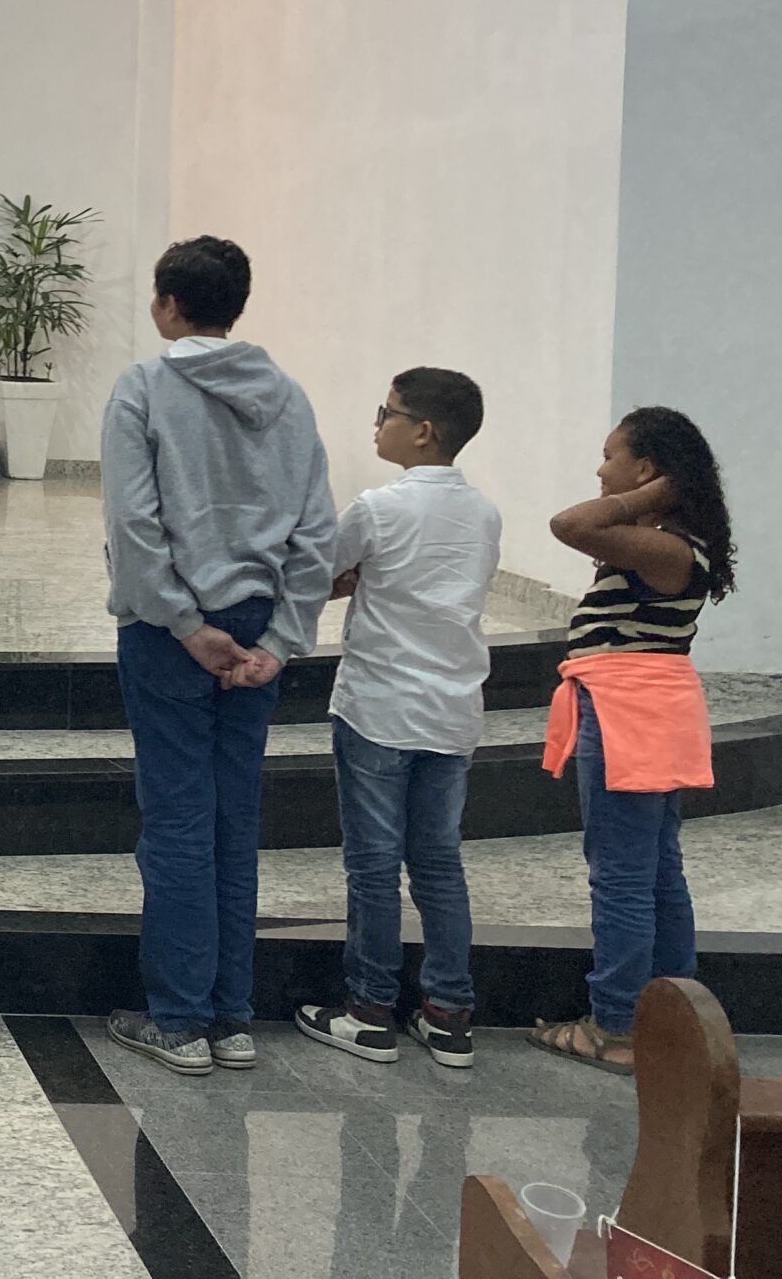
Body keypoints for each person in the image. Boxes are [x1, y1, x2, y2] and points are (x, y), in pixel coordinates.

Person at [101, 237, 335, 1076]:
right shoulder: (290, 397)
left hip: (174, 635)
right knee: (234, 820)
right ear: (236, 306)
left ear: (168, 305)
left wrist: (181, 622)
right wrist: (280, 639)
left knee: (176, 820)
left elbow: (134, 525)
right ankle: (232, 1016)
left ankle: (178, 1018)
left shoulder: (144, 388)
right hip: (257, 631)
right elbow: (316, 532)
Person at [296, 368, 501, 1071]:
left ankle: (369, 1011)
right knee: (439, 863)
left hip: (380, 707)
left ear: (423, 432)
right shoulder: (484, 513)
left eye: (387, 413)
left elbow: (314, 574)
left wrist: (346, 582)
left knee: (374, 866)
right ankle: (448, 1016)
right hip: (452, 711)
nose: (376, 424)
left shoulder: (378, 508)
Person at [528, 407, 735, 1076]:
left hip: (627, 714)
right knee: (657, 873)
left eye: (610, 455)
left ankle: (615, 1025)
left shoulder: (669, 547)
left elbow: (570, 525)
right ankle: (676, 1021)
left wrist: (658, 491)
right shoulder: (671, 543)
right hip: (650, 711)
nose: (600, 469)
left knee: (621, 877)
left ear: (645, 469)